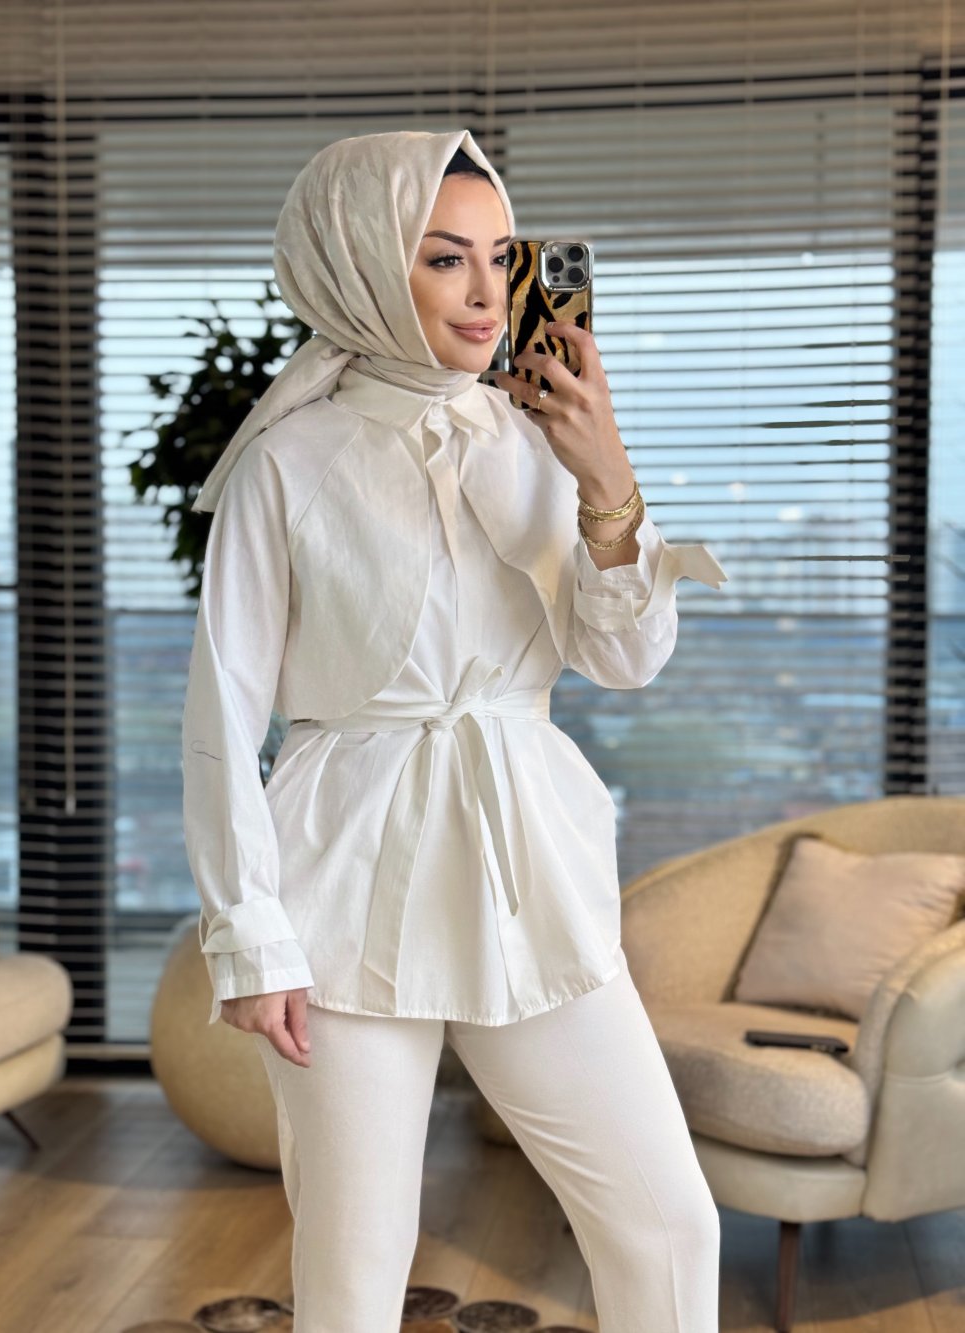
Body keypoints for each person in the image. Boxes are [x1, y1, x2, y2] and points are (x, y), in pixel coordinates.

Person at [181, 128, 727, 1333]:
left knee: (669, 1224)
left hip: (523, 862)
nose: (486, 292)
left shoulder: (538, 438)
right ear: (361, 265)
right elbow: (221, 708)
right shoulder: (283, 464)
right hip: (338, 875)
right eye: (443, 258)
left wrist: (604, 476)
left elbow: (625, 658)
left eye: (500, 255)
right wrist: (249, 937)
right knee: (356, 1259)